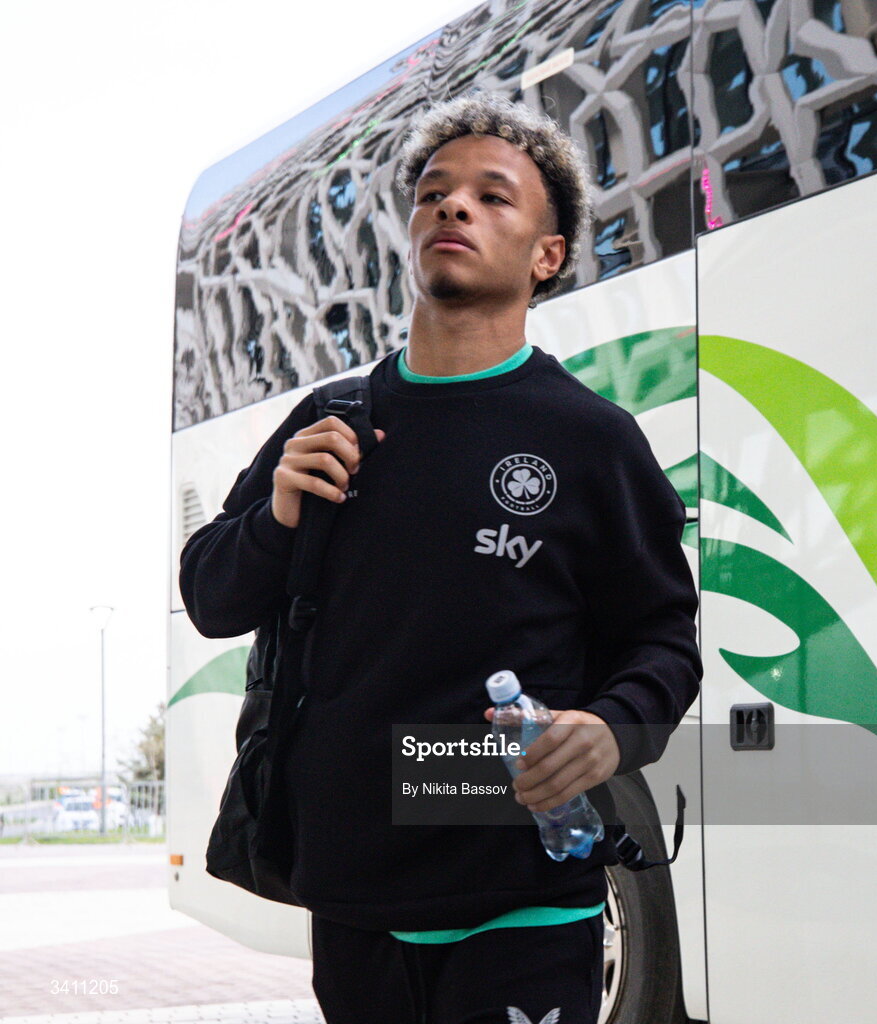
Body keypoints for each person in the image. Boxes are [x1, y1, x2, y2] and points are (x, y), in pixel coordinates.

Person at [180, 92, 702, 1024]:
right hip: (352, 902)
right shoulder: (328, 422)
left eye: (493, 197)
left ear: (547, 257)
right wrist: (275, 518)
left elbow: (664, 639)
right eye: (433, 193)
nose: (452, 207)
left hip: (524, 902)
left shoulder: (590, 440)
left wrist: (612, 729)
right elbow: (212, 595)